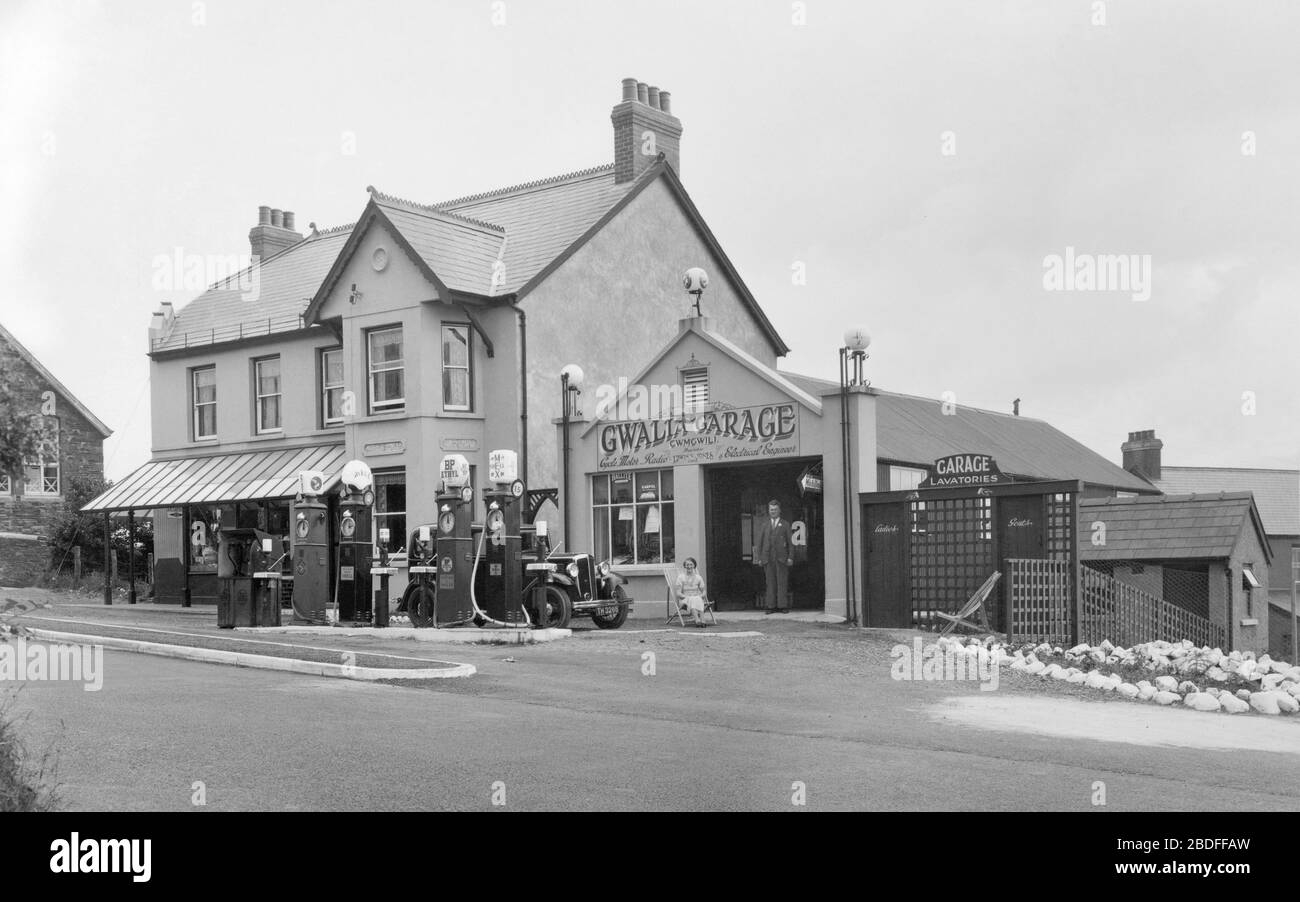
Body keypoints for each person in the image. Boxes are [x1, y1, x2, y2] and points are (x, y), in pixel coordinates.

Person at [754, 499, 792, 613]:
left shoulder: (785, 524)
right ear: (768, 510)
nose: (773, 511)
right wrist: (759, 558)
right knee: (770, 583)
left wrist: (790, 557)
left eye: (775, 509)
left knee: (782, 582)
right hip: (767, 558)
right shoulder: (764, 524)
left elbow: (790, 542)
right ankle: (770, 606)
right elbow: (759, 542)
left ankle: (782, 606)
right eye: (771, 510)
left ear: (779, 510)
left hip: (781, 558)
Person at [674, 557, 709, 627]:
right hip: (684, 600)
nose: (689, 566)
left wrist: (701, 596)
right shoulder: (680, 578)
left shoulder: (698, 578)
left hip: (696, 599)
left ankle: (700, 620)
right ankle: (699, 620)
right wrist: (688, 597)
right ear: (685, 566)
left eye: (691, 564)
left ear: (694, 566)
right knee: (693, 599)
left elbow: (704, 591)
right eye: (687, 565)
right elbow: (678, 593)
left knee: (696, 598)